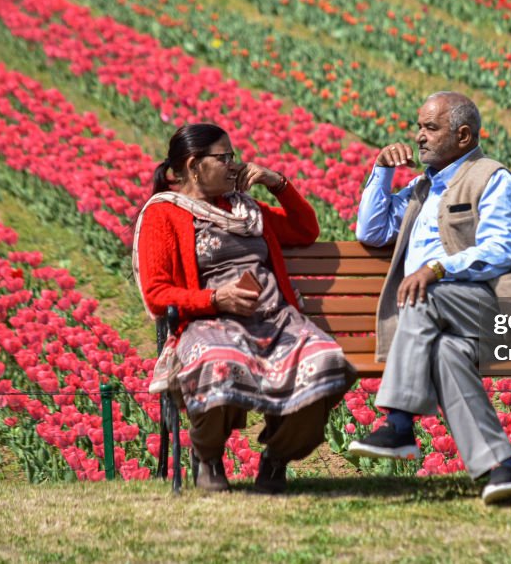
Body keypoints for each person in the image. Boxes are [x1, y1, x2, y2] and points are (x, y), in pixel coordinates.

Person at [348, 91, 511, 504]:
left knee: (424, 295)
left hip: (497, 309)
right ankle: (504, 469)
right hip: (448, 322)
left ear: (463, 135)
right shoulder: (423, 189)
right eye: (418, 127)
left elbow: (501, 250)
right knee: (444, 353)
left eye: (430, 127)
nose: (419, 136)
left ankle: (400, 423)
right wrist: (382, 172)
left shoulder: (492, 178)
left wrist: (437, 268)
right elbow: (371, 233)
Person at [133, 124, 353, 494]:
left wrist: (277, 182)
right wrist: (215, 299)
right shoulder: (164, 214)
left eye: (234, 157)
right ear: (194, 165)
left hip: (277, 321)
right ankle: (208, 457)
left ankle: (276, 458)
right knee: (217, 361)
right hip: (210, 322)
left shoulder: (245, 209)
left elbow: (305, 231)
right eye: (225, 158)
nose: (235, 165)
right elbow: (157, 294)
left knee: (328, 362)